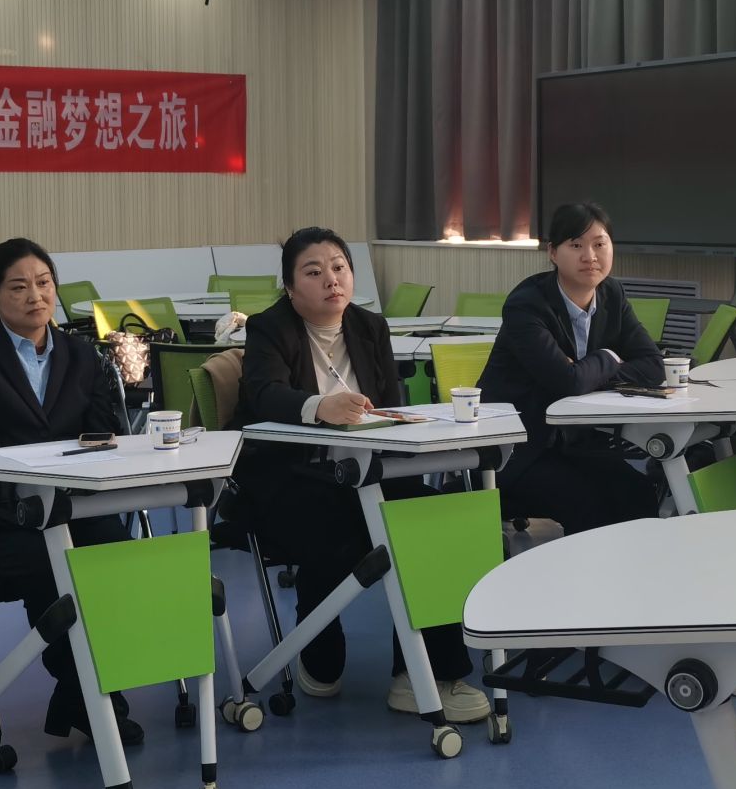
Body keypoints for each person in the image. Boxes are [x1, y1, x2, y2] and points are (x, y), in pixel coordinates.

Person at [231, 226, 491, 722]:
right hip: (292, 475)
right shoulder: (270, 327)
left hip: (370, 469)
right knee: (334, 530)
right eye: (314, 272)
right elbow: (264, 394)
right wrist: (318, 406)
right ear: (290, 287)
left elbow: (389, 405)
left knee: (435, 519)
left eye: (339, 268)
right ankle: (317, 653)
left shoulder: (370, 327)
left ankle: (424, 676)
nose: (331, 279)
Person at [0, 238, 142, 745]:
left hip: (76, 508)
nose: (35, 296)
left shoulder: (82, 354)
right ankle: (96, 699)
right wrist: (28, 498)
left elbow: (106, 438)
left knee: (119, 555)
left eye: (44, 283)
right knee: (56, 563)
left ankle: (81, 694)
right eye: (18, 287)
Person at [477, 201, 666, 534]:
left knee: (637, 492)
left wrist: (586, 372)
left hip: (575, 444)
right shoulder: (526, 304)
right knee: (588, 503)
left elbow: (652, 366)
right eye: (576, 245)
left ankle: (635, 568)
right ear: (553, 253)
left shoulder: (611, 294)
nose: (590, 256)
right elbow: (568, 382)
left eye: (599, 244)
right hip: (517, 450)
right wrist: (608, 358)